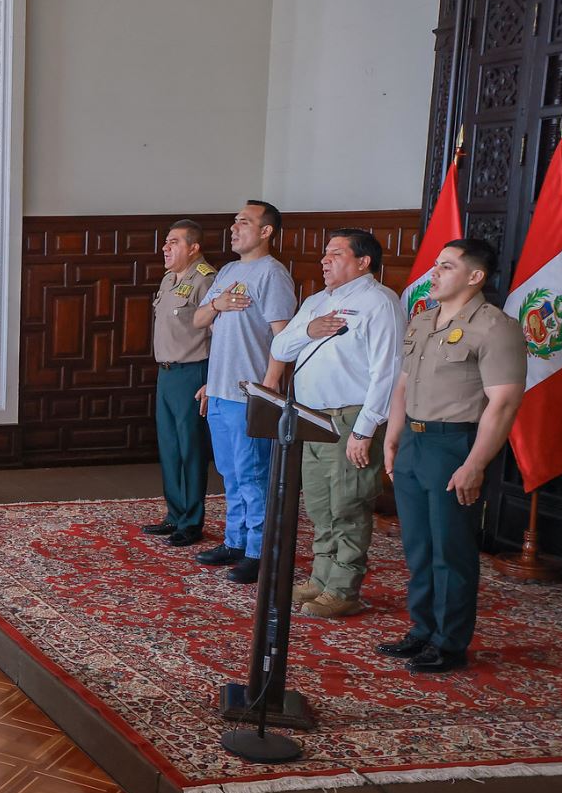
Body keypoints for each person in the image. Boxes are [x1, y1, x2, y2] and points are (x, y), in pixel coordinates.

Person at [381, 238, 527, 674]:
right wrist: (392, 437)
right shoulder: (424, 320)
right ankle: (422, 630)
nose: (434, 273)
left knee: (452, 550)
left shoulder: (495, 327)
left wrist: (475, 464)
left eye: (445, 266)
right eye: (435, 265)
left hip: (455, 444)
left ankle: (449, 643)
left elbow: (502, 404)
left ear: (475, 276)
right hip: (414, 441)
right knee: (419, 548)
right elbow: (403, 384)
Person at [269, 229, 405, 619]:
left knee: (348, 502)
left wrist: (364, 430)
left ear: (363, 262)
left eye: (335, 254)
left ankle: (344, 589)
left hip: (351, 417)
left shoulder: (380, 303)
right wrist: (308, 331)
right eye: (324, 254)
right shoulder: (316, 301)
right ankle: (321, 577)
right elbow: (280, 348)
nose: (324, 261)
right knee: (318, 503)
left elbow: (388, 372)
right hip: (311, 417)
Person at [192, 200, 297, 583]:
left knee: (254, 475)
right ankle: (235, 541)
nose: (234, 228)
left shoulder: (273, 274)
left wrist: (268, 389)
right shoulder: (229, 271)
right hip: (220, 391)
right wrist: (217, 303)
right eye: (233, 221)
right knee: (230, 473)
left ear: (266, 231)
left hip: (249, 394)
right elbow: (199, 319)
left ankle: (259, 551)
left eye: (244, 222)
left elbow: (282, 338)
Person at [144, 220, 216, 547]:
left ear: (193, 247)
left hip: (192, 373)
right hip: (167, 373)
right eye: (165, 242)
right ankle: (174, 514)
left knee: (191, 449)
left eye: (173, 242)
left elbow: (219, 334)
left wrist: (213, 379)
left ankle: (191, 521)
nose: (165, 248)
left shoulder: (205, 280)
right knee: (170, 448)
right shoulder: (170, 278)